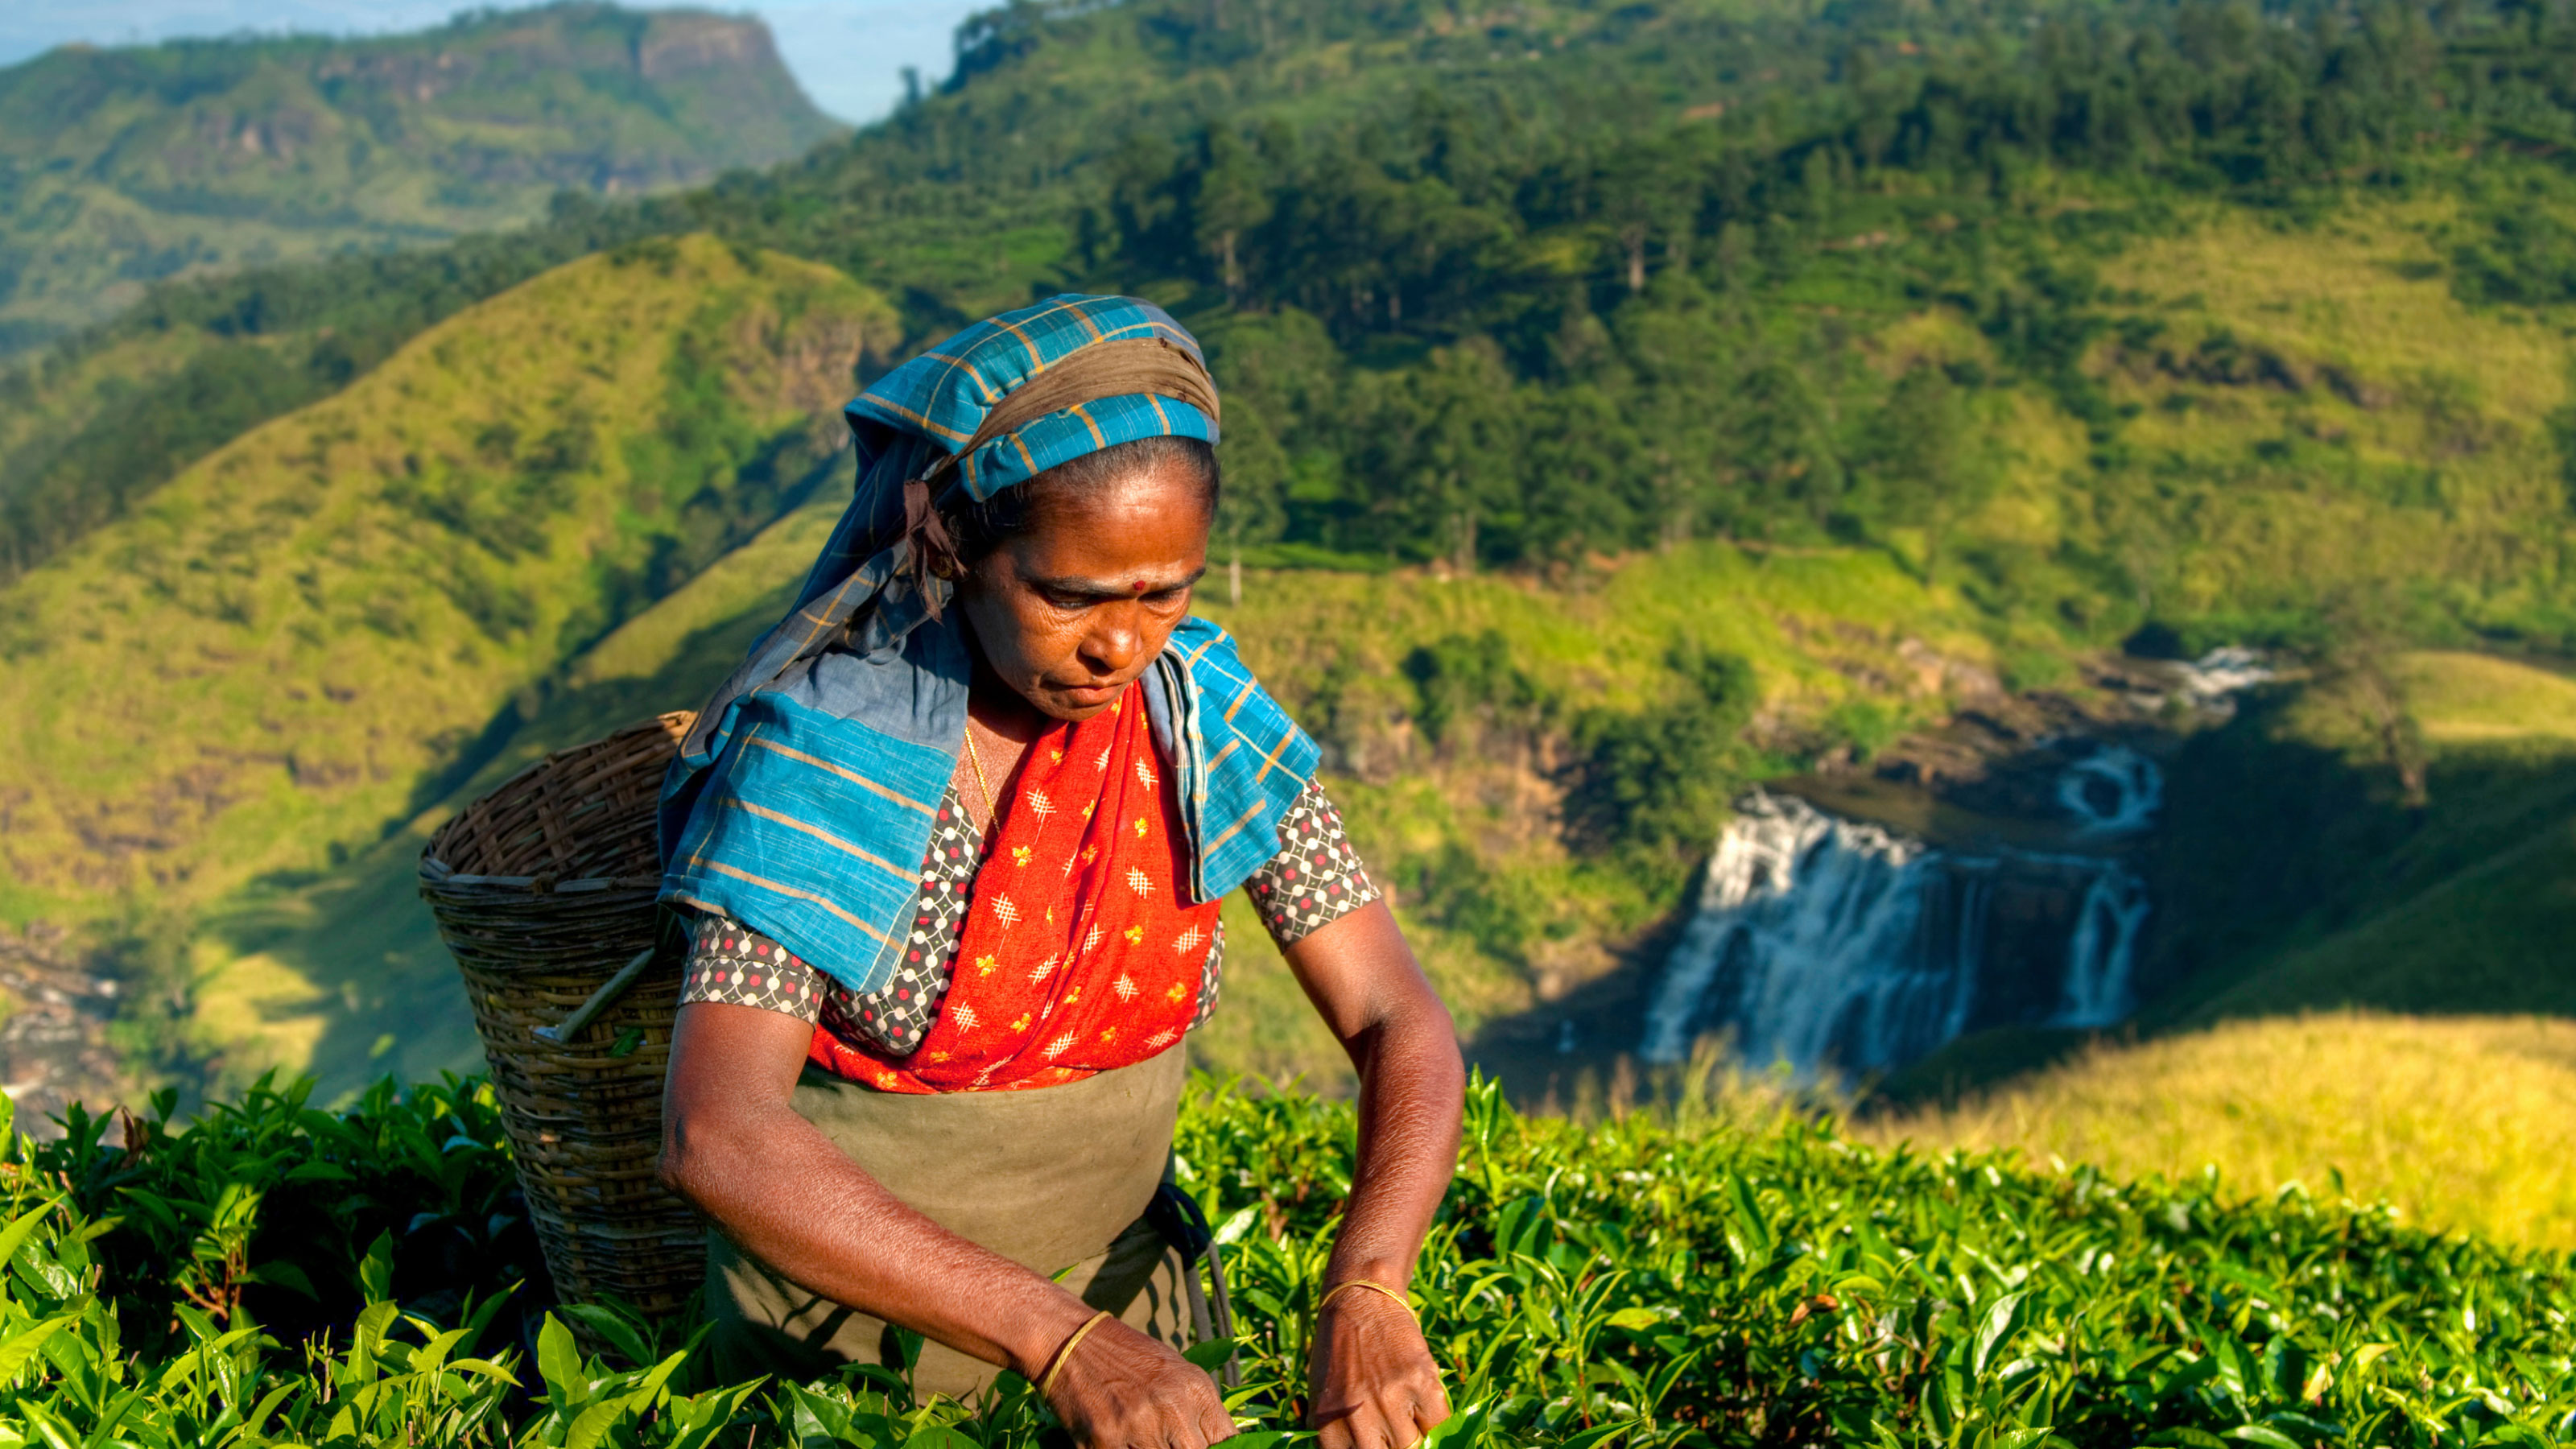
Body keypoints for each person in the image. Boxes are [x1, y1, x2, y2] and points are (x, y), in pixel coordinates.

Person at [654, 294, 1466, 1449]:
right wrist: (1057, 1337)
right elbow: (718, 1132)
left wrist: (1370, 1287)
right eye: (1069, 596)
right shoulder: (833, 752)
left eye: (1164, 593)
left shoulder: (1200, 715)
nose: (1118, 646)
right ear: (964, 549)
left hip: (1139, 1339)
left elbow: (1397, 1014)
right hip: (845, 1362)